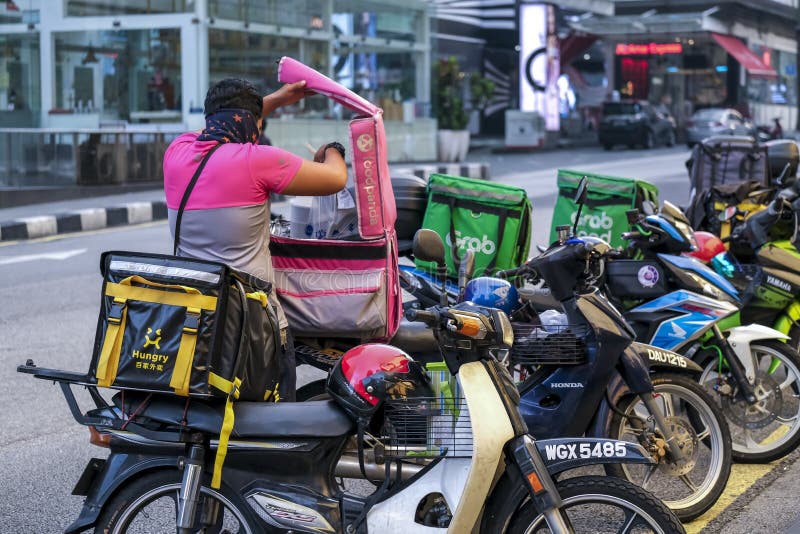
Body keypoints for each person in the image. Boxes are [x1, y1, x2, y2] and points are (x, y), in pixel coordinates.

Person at [163, 78, 348, 401]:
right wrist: (333, 150)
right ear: (252, 123)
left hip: (196, 316)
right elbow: (336, 178)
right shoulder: (257, 160)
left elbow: (223, 123)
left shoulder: (176, 154)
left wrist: (273, 100)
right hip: (252, 325)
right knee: (274, 417)